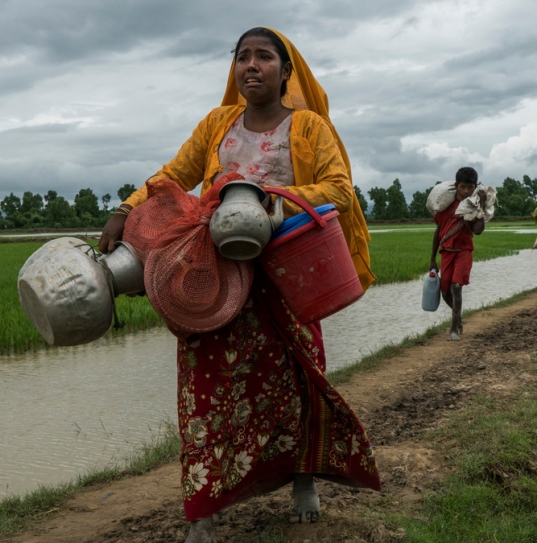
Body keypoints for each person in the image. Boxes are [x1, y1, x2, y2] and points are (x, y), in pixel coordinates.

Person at [98, 27, 381, 543]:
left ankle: (302, 480)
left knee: (296, 384)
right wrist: (127, 207)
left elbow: (339, 190)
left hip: (284, 278)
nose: (251, 66)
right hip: (213, 280)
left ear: (286, 72)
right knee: (202, 394)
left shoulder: (309, 127)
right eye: (242, 57)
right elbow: (174, 174)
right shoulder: (217, 124)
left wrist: (264, 197)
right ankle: (201, 513)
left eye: (264, 57)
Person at [429, 167, 486, 341]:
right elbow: (438, 232)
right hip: (446, 251)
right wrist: (432, 259)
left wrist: (481, 207)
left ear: (474, 187)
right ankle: (459, 317)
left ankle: (453, 328)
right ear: (456, 186)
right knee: (445, 291)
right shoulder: (447, 206)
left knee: (456, 287)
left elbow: (478, 231)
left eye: (470, 187)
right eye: (462, 187)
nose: (466, 191)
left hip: (464, 251)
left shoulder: (473, 206)